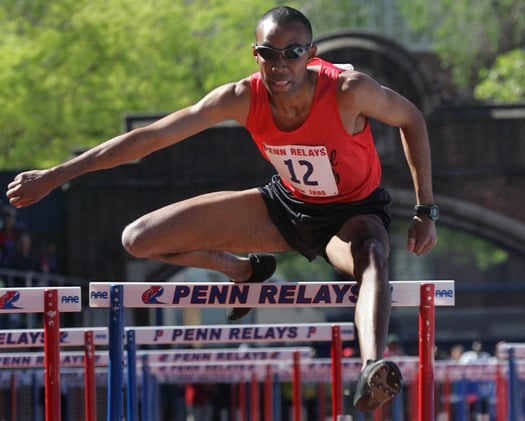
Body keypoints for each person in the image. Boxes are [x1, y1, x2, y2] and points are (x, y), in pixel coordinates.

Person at [6, 6, 438, 411]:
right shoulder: (240, 97)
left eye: (292, 53)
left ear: (312, 54)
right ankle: (242, 270)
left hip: (351, 216)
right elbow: (150, 138)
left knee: (373, 259)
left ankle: (370, 368)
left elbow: (411, 118)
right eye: (269, 54)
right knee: (138, 239)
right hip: (285, 207)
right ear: (256, 55)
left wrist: (425, 210)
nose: (280, 65)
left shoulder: (349, 90)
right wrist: (56, 175)